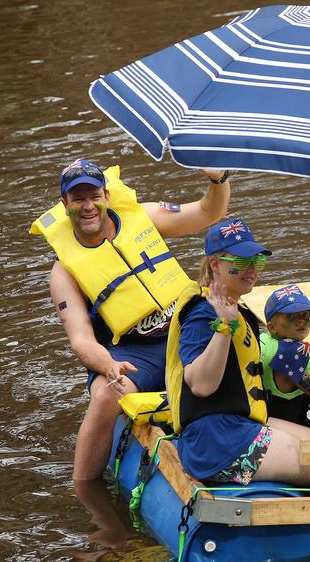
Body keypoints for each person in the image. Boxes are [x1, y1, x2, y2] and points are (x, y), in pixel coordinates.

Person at [164, 219, 310, 548]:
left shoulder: (234, 308)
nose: (252, 269)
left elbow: (307, 384)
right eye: (241, 262)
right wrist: (223, 328)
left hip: (236, 426)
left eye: (256, 261)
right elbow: (200, 384)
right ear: (215, 264)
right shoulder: (204, 314)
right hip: (218, 443)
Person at [33, 159, 231, 483]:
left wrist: (218, 178)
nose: (88, 206)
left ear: (107, 196)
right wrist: (108, 365)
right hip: (134, 354)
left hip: (185, 329)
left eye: (94, 196)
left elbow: (208, 213)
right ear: (65, 204)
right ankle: (85, 489)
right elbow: (81, 339)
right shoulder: (63, 272)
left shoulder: (144, 217)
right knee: (105, 394)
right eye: (77, 199)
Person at [259, 284, 310, 427]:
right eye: (290, 316)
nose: (301, 320)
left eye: (305, 315)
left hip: (270, 417)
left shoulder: (269, 341)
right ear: (272, 327)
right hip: (285, 430)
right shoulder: (289, 354)